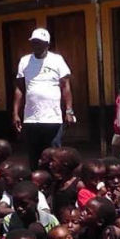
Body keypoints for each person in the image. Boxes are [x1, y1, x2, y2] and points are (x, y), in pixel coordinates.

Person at [12, 28, 74, 169]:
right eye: (34, 42)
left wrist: (69, 111)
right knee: (34, 156)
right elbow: (19, 89)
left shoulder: (57, 60)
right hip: (31, 118)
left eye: (39, 42)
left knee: (54, 156)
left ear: (47, 44)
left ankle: (53, 180)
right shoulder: (25, 61)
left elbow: (65, 87)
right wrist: (15, 113)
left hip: (52, 118)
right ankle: (37, 179)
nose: (36, 45)